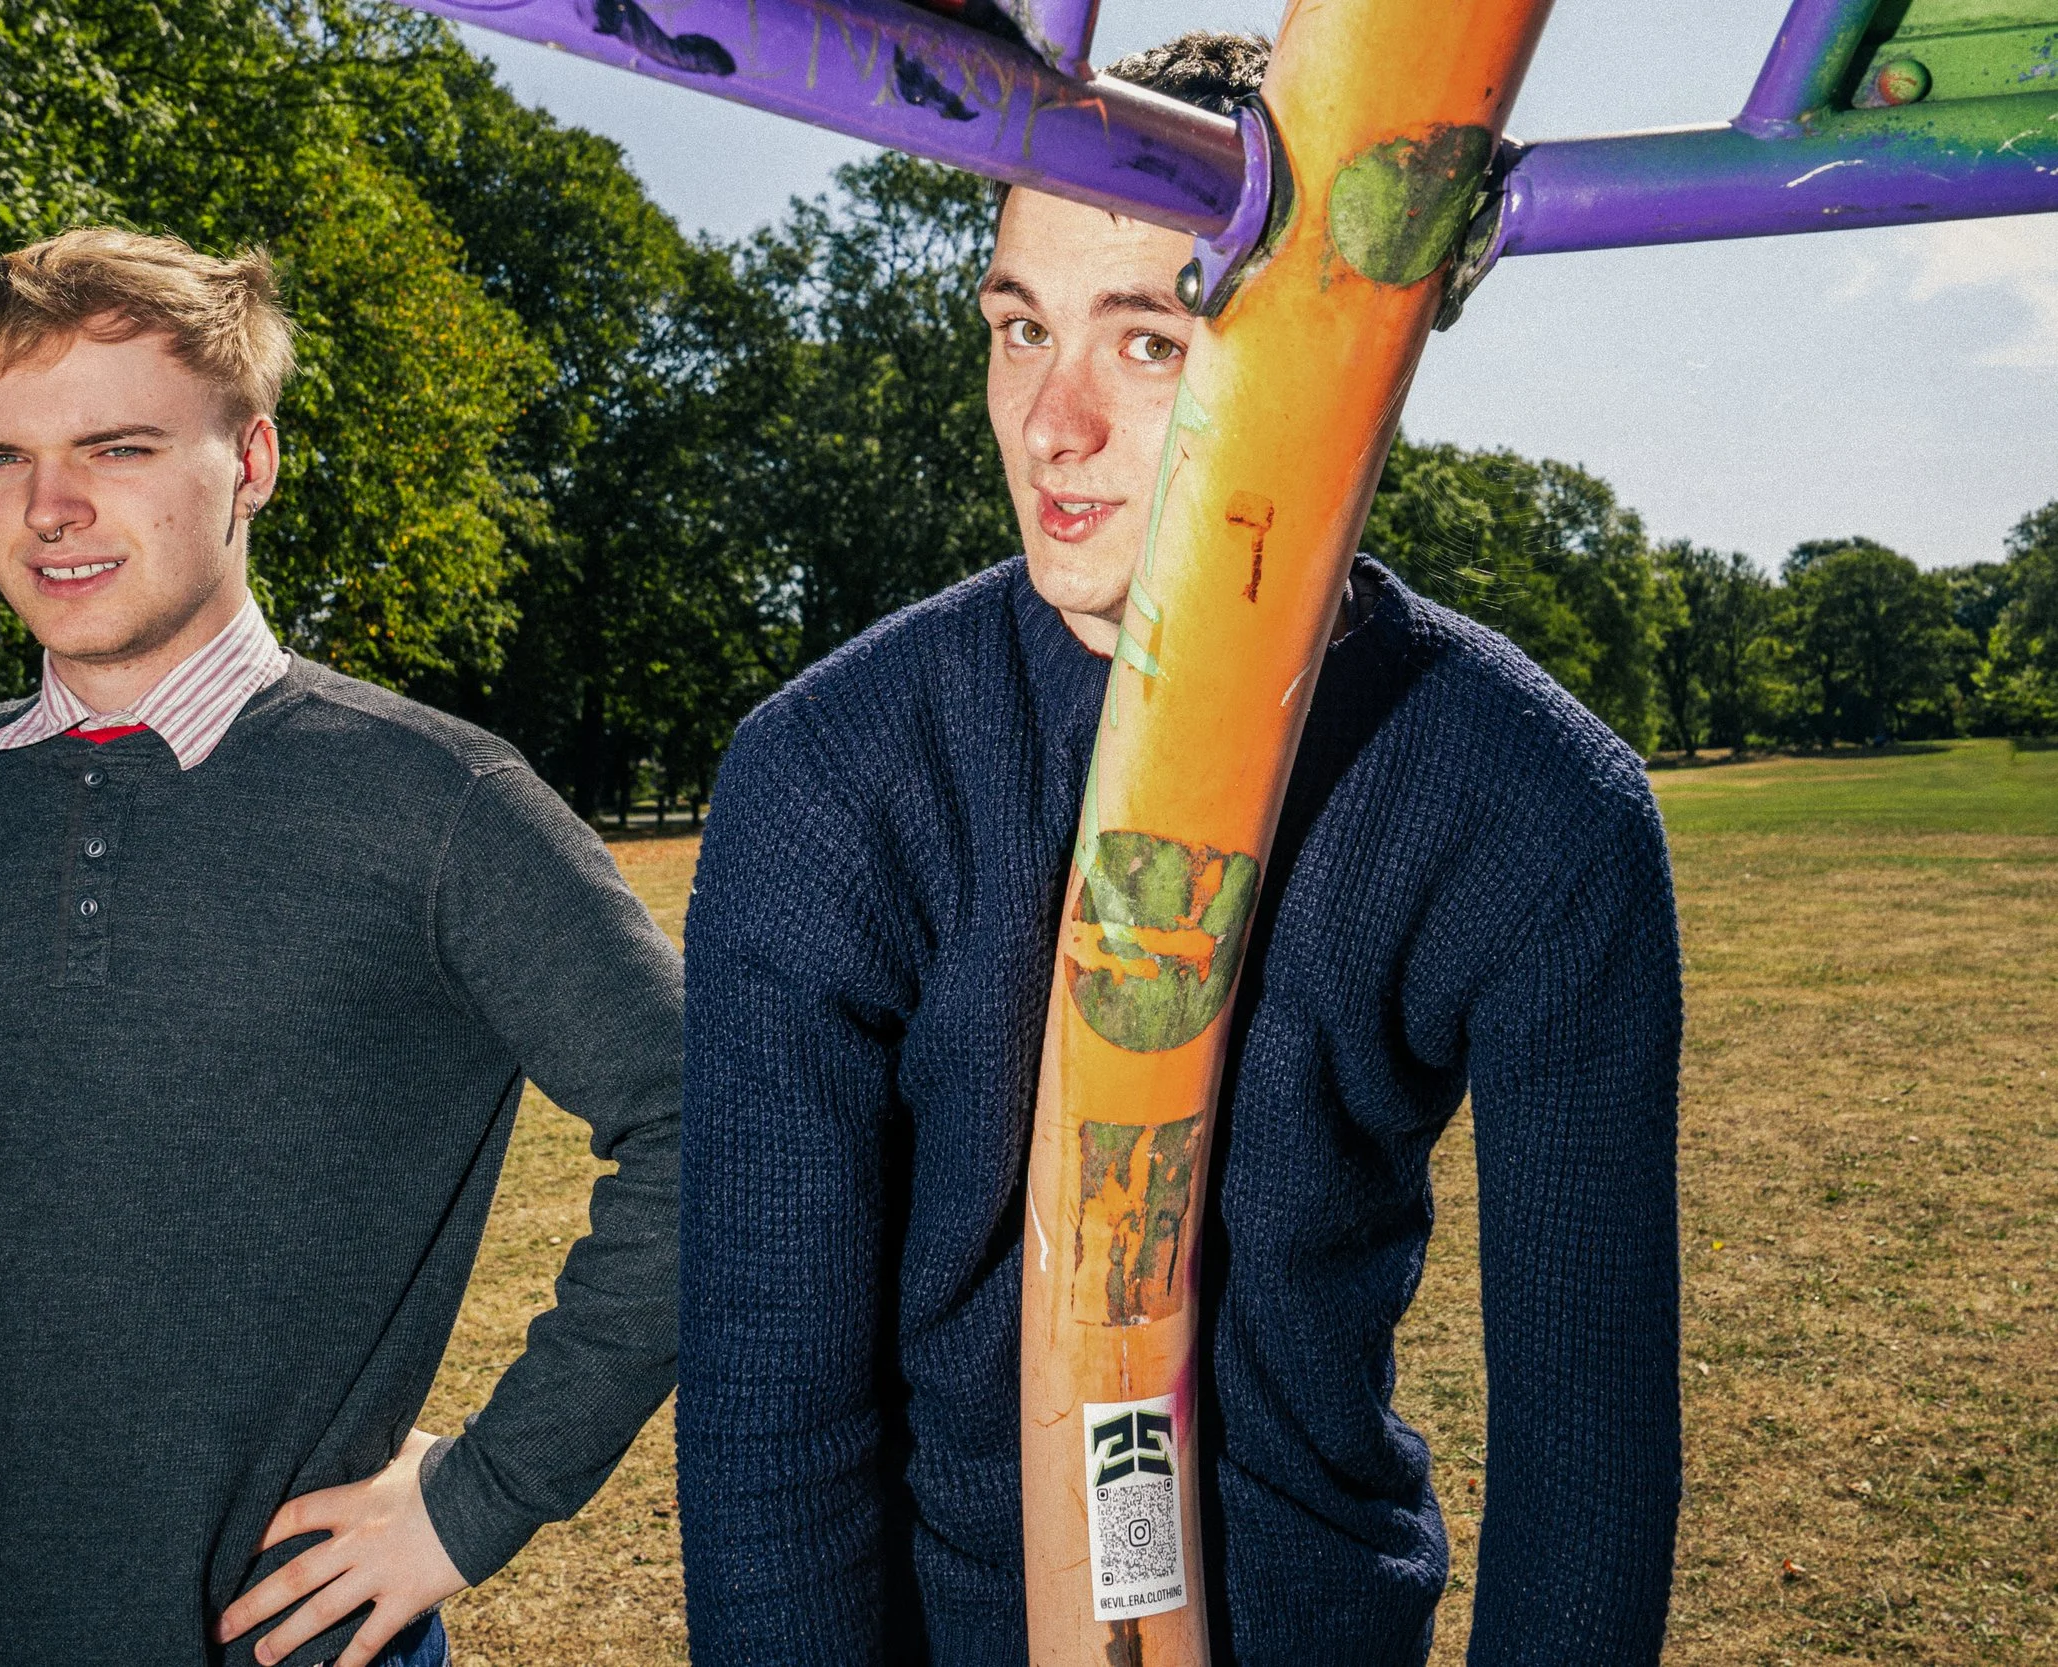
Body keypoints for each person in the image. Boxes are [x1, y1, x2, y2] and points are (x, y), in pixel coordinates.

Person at [677, 31, 1682, 1667]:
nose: (1049, 425)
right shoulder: (828, 779)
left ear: (1350, 352)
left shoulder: (1538, 810)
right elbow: (771, 1421)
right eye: (1018, 328)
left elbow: (1591, 1448)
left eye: (1146, 340)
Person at [0, 228, 683, 1667]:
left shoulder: (441, 805)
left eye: (116, 446)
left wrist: (478, 1495)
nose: (47, 508)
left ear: (250, 459)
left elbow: (717, 1122)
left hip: (276, 1641)